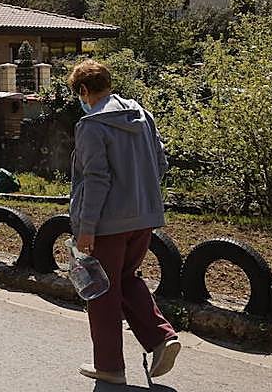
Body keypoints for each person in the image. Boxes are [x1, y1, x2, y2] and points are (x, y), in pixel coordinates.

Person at [68, 58, 180, 385]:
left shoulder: (91, 126)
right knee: (126, 278)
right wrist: (139, 196)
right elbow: (160, 161)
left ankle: (109, 367)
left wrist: (86, 228)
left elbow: (96, 180)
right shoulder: (142, 115)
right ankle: (162, 338)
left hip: (108, 224)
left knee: (100, 292)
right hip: (144, 216)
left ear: (85, 90)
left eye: (81, 95)